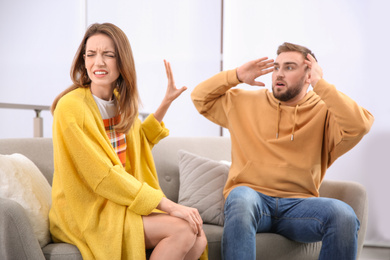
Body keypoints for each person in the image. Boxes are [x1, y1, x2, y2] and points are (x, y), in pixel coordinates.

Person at [191, 42, 374, 260]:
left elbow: (360, 125)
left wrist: (321, 84)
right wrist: (237, 75)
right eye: (276, 67)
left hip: (300, 207)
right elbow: (199, 97)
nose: (279, 74)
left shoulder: (325, 111)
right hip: (253, 199)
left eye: (289, 67)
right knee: (240, 198)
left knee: (344, 215)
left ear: (309, 75)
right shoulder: (243, 102)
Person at [49, 23, 207, 260]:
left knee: (199, 238)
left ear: (121, 62)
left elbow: (135, 147)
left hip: (121, 203)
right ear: (83, 60)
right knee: (184, 230)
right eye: (91, 54)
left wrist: (165, 103)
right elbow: (102, 174)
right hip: (89, 209)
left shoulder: (119, 102)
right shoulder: (71, 107)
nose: (98, 62)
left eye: (108, 55)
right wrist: (169, 205)